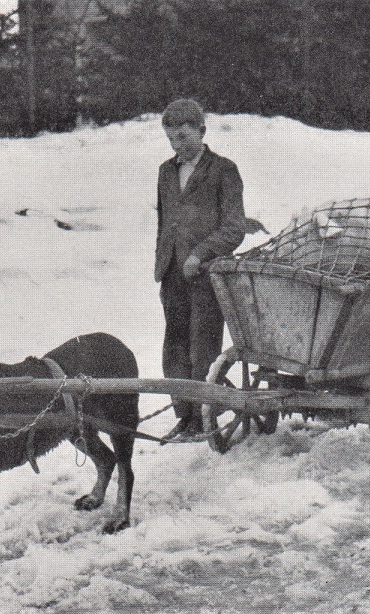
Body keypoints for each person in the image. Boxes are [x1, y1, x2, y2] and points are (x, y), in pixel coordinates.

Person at [155, 99, 246, 438]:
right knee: (174, 347)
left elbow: (234, 227)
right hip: (172, 275)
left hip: (207, 277)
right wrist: (164, 262)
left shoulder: (224, 170)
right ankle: (184, 415)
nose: (177, 145)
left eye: (183, 136)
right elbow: (165, 223)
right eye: (171, 138)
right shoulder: (166, 171)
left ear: (202, 132)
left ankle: (201, 417)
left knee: (202, 347)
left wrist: (200, 255)